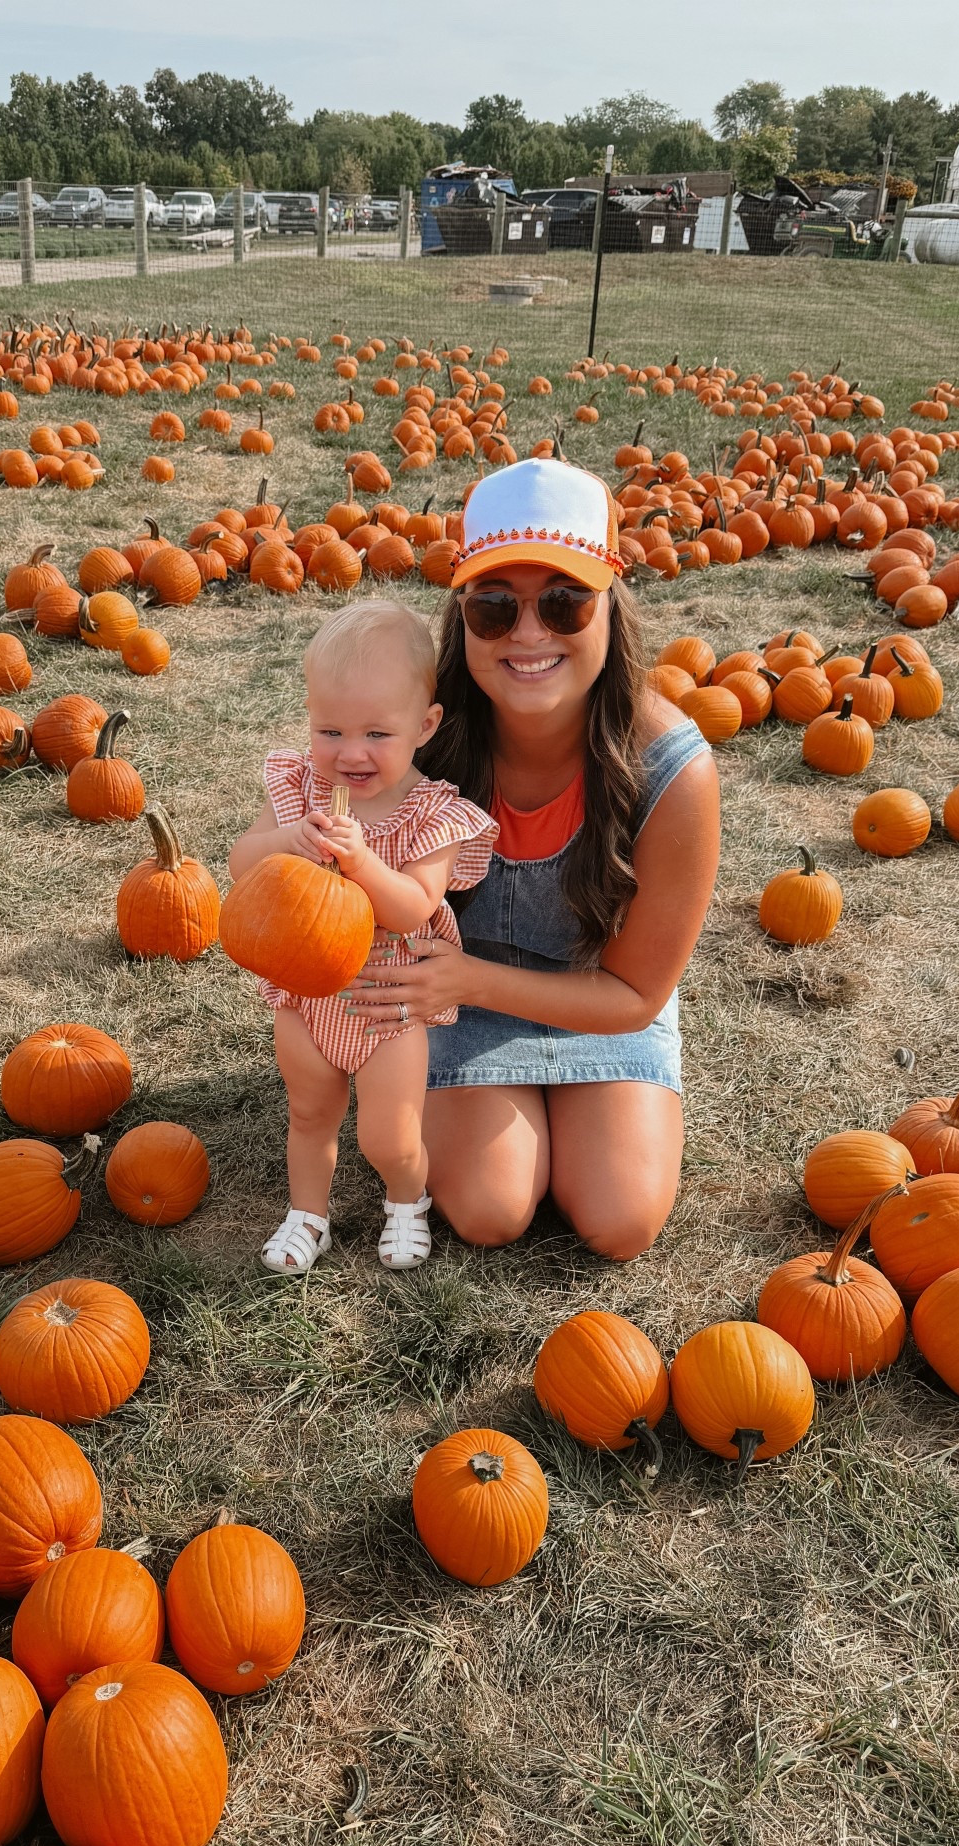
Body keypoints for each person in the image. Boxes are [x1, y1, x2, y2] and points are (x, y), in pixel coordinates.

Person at [344, 458, 721, 1259]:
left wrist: (468, 976)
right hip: (453, 998)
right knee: (490, 1210)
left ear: (610, 608)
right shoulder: (421, 736)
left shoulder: (671, 771)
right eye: (494, 607)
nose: (528, 634)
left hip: (597, 997)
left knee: (620, 1222)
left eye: (563, 601)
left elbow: (634, 992)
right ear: (462, 617)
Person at [228, 602, 497, 1274]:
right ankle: (307, 1216)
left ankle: (407, 1199)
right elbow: (240, 862)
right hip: (304, 991)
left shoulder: (431, 812)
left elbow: (413, 908)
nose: (351, 752)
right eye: (330, 729)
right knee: (309, 1111)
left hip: (388, 1005)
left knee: (388, 1133)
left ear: (425, 725)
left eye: (378, 732)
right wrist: (284, 843)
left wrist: (364, 864)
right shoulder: (300, 792)